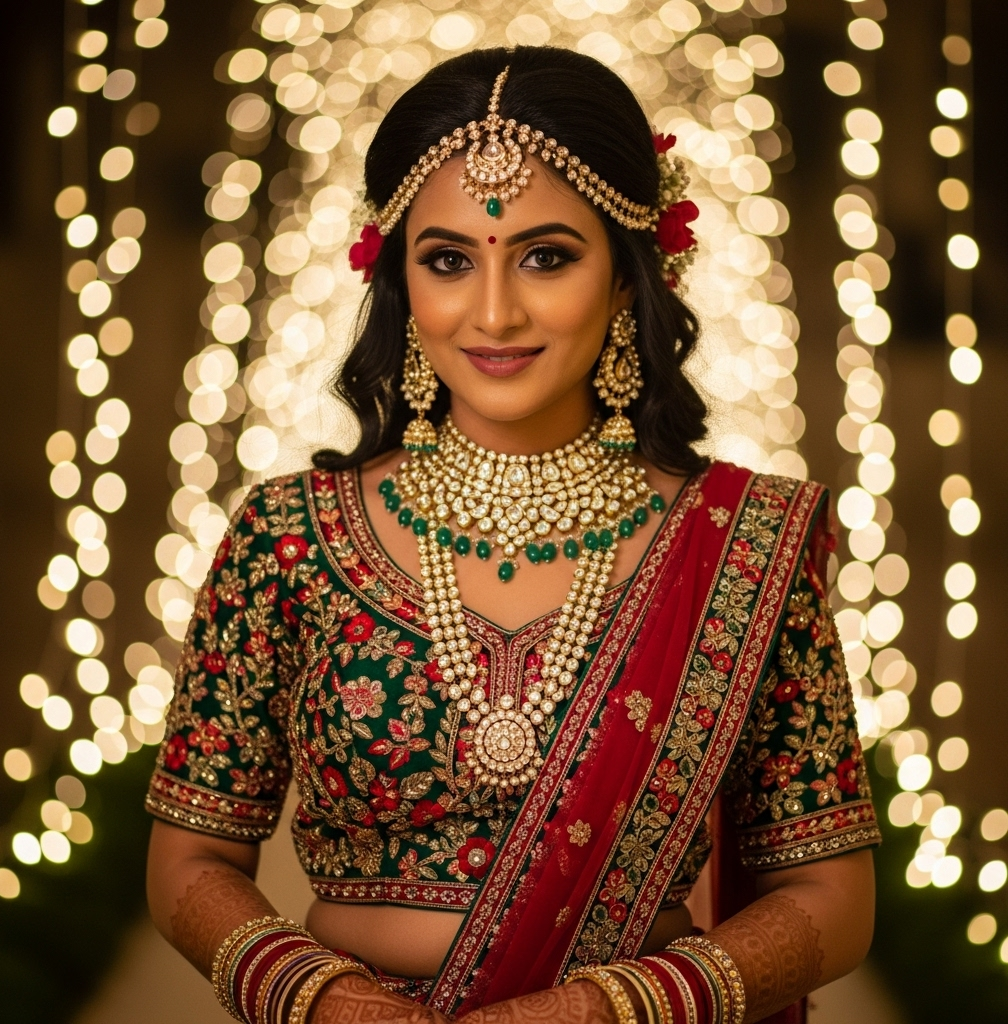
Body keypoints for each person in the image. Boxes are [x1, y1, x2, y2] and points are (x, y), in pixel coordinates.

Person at [145, 45, 880, 1024]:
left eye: (546, 255)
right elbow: (189, 861)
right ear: (401, 284)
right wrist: (314, 997)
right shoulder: (288, 539)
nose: (493, 312)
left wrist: (599, 1012)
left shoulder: (738, 547)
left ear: (627, 276)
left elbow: (831, 900)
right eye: (448, 260)